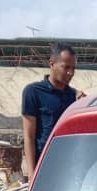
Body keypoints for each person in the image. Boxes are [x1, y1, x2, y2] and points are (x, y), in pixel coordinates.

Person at [21, 43, 84, 177]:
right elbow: (29, 137)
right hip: (44, 167)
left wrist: (82, 105)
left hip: (68, 167)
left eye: (73, 68)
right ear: (52, 64)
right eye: (66, 67)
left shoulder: (75, 97)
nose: (70, 73)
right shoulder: (33, 92)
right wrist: (32, 175)